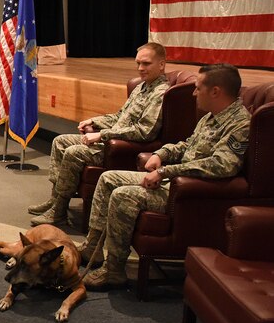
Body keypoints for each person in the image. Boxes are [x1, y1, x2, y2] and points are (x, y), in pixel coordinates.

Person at [82, 63, 251, 290]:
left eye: (198, 88)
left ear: (215, 91)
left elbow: (222, 165)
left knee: (124, 196)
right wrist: (161, 153)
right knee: (109, 178)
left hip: (190, 193)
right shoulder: (212, 117)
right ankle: (92, 249)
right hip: (175, 181)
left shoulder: (240, 124)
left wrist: (165, 171)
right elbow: (187, 145)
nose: (193, 93)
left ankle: (114, 270)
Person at [29, 43, 170, 226]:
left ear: (161, 64)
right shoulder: (142, 87)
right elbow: (120, 117)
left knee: (74, 152)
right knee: (60, 141)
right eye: (138, 63)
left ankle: (59, 211)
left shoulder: (160, 93)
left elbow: (144, 132)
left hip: (123, 148)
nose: (140, 68)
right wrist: (95, 122)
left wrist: (102, 135)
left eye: (146, 63)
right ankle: (55, 199)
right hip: (113, 138)